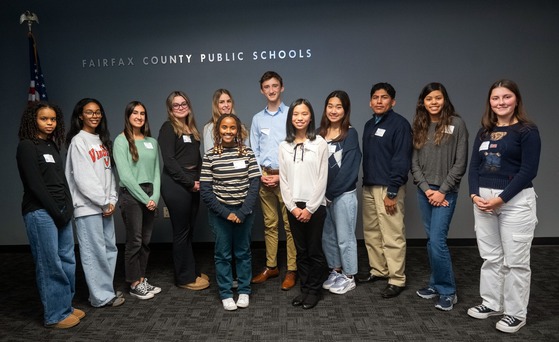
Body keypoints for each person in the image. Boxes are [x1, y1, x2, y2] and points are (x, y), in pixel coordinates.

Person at [467, 79, 540, 333]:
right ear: (490, 102)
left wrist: (501, 198)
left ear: (516, 100)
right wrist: (474, 195)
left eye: (506, 97)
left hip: (515, 202)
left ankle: (515, 313)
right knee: (490, 257)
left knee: (516, 262)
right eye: (496, 98)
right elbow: (474, 167)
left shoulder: (527, 131)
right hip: (483, 201)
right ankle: (491, 303)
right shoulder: (483, 131)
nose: (501, 102)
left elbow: (528, 171)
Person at [16, 102, 85, 328]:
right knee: (49, 263)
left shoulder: (52, 146)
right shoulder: (27, 146)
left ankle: (66, 305)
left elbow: (61, 181)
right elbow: (36, 185)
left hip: (61, 212)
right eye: (44, 119)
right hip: (40, 213)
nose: (49, 123)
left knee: (67, 259)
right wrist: (57, 212)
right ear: (33, 120)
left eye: (53, 119)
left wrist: (68, 208)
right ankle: (55, 315)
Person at [410, 83, 468, 311]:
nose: (433, 102)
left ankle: (448, 291)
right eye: (429, 99)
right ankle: (435, 283)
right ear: (422, 102)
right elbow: (413, 162)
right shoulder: (420, 125)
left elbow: (460, 162)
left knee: (437, 241)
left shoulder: (457, 124)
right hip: (425, 191)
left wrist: (442, 190)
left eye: (438, 98)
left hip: (446, 191)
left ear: (444, 100)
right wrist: (427, 189)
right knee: (432, 241)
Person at [65, 98, 124, 308]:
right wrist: (102, 201)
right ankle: (101, 296)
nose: (94, 116)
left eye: (98, 112)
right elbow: (83, 178)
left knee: (109, 249)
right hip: (88, 207)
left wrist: (111, 199)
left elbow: (109, 174)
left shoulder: (100, 140)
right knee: (94, 251)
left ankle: (103, 290)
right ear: (80, 115)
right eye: (89, 112)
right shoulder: (78, 141)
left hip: (104, 205)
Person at [200, 114, 261, 311]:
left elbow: (254, 185)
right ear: (218, 130)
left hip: (245, 212)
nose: (228, 131)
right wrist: (226, 213)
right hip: (220, 214)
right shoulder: (210, 156)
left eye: (232, 128)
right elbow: (206, 190)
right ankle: (226, 292)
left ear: (238, 130)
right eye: (224, 128)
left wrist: (242, 212)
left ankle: (244, 290)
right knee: (222, 254)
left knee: (243, 252)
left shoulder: (247, 153)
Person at [359, 82, 412, 299]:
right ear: (370, 102)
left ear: (393, 101)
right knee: (371, 232)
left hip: (389, 188)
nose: (379, 101)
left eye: (384, 97)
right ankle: (379, 270)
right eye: (375, 97)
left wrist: (392, 191)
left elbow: (401, 159)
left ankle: (397, 278)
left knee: (392, 233)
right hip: (370, 186)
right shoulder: (369, 125)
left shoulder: (400, 125)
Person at [279, 99, 329, 309]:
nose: (300, 118)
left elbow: (322, 179)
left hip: (315, 206)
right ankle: (305, 288)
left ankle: (315, 291)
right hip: (293, 206)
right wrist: (292, 207)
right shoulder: (284, 146)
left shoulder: (319, 144)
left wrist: (309, 208)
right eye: (295, 114)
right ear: (291, 118)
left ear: (310, 117)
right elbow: (284, 180)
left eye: (304, 114)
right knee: (301, 251)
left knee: (314, 250)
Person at [250, 71, 297, 290]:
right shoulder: (257, 119)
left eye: (275, 85)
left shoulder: (291, 114)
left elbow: (297, 148)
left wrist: (281, 175)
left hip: (287, 177)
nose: (271, 90)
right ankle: (271, 266)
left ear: (282, 87)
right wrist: (262, 175)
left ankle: (292, 269)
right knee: (270, 224)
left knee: (289, 226)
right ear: (262, 90)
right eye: (267, 86)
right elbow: (254, 150)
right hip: (264, 177)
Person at [158, 91, 209, 291]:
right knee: (181, 232)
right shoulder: (168, 128)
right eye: (176, 105)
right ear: (170, 109)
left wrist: (201, 179)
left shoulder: (191, 129)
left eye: (183, 103)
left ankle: (191, 270)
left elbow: (196, 159)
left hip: (192, 184)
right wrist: (190, 182)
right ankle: (184, 278)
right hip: (176, 185)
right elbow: (170, 161)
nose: (180, 107)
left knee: (189, 231)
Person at [113, 101, 161, 300]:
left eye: (142, 113)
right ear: (128, 115)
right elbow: (125, 176)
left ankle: (141, 279)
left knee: (146, 241)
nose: (139, 117)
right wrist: (144, 198)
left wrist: (154, 197)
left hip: (150, 194)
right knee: (135, 240)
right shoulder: (121, 140)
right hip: (131, 194)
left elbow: (157, 172)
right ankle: (134, 283)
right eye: (135, 113)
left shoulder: (152, 141)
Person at [318, 90, 361, 295]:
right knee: (329, 237)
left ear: (345, 110)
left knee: (345, 237)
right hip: (323, 197)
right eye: (330, 106)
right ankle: (336, 270)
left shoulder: (350, 134)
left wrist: (330, 194)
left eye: (338, 107)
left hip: (343, 196)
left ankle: (349, 275)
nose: (334, 111)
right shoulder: (319, 134)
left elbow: (349, 170)